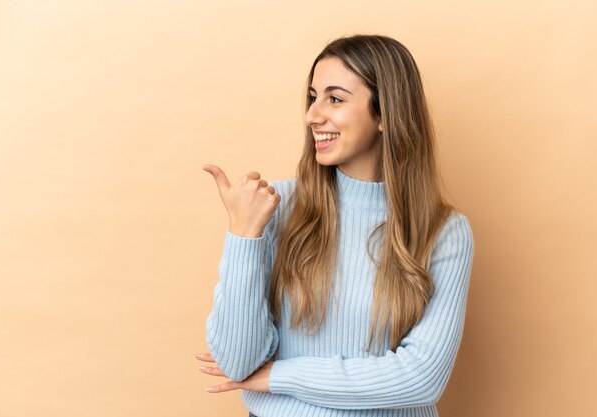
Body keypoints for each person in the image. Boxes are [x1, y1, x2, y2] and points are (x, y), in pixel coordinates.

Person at [197, 34, 475, 417]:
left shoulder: (444, 231)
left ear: (384, 115)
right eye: (313, 97)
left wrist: (281, 375)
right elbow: (237, 362)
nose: (312, 114)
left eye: (335, 98)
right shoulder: (275, 206)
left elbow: (422, 378)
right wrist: (244, 235)